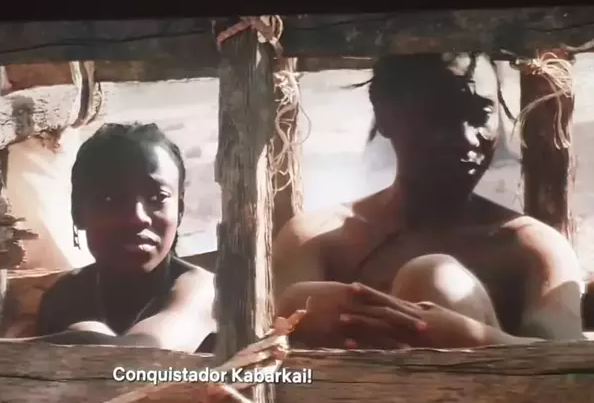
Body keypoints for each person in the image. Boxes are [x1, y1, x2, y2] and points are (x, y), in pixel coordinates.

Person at [273, 53, 586, 350]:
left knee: (435, 278)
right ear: (385, 116)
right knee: (301, 301)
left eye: (481, 115)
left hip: (488, 385)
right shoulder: (317, 240)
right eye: (441, 115)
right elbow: (271, 360)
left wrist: (471, 339)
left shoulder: (529, 248)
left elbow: (568, 365)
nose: (467, 139)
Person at [31, 122, 216, 353]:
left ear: (179, 210)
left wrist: (82, 334)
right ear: (78, 212)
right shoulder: (63, 298)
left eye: (158, 197)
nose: (137, 218)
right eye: (110, 199)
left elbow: (144, 354)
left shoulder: (203, 292)